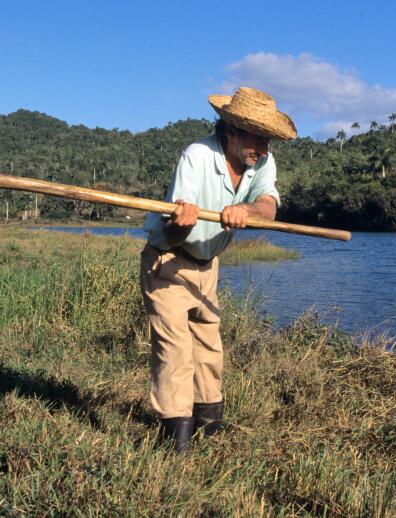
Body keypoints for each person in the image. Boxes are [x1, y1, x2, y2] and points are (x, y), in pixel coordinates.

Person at [141, 86, 297, 452]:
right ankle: (174, 445)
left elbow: (268, 206)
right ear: (231, 132)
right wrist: (184, 221)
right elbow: (173, 235)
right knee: (175, 352)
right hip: (169, 262)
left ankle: (207, 433)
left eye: (268, 139)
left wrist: (249, 211)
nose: (263, 147)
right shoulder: (197, 156)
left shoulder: (261, 162)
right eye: (257, 137)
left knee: (209, 349)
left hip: (207, 265)